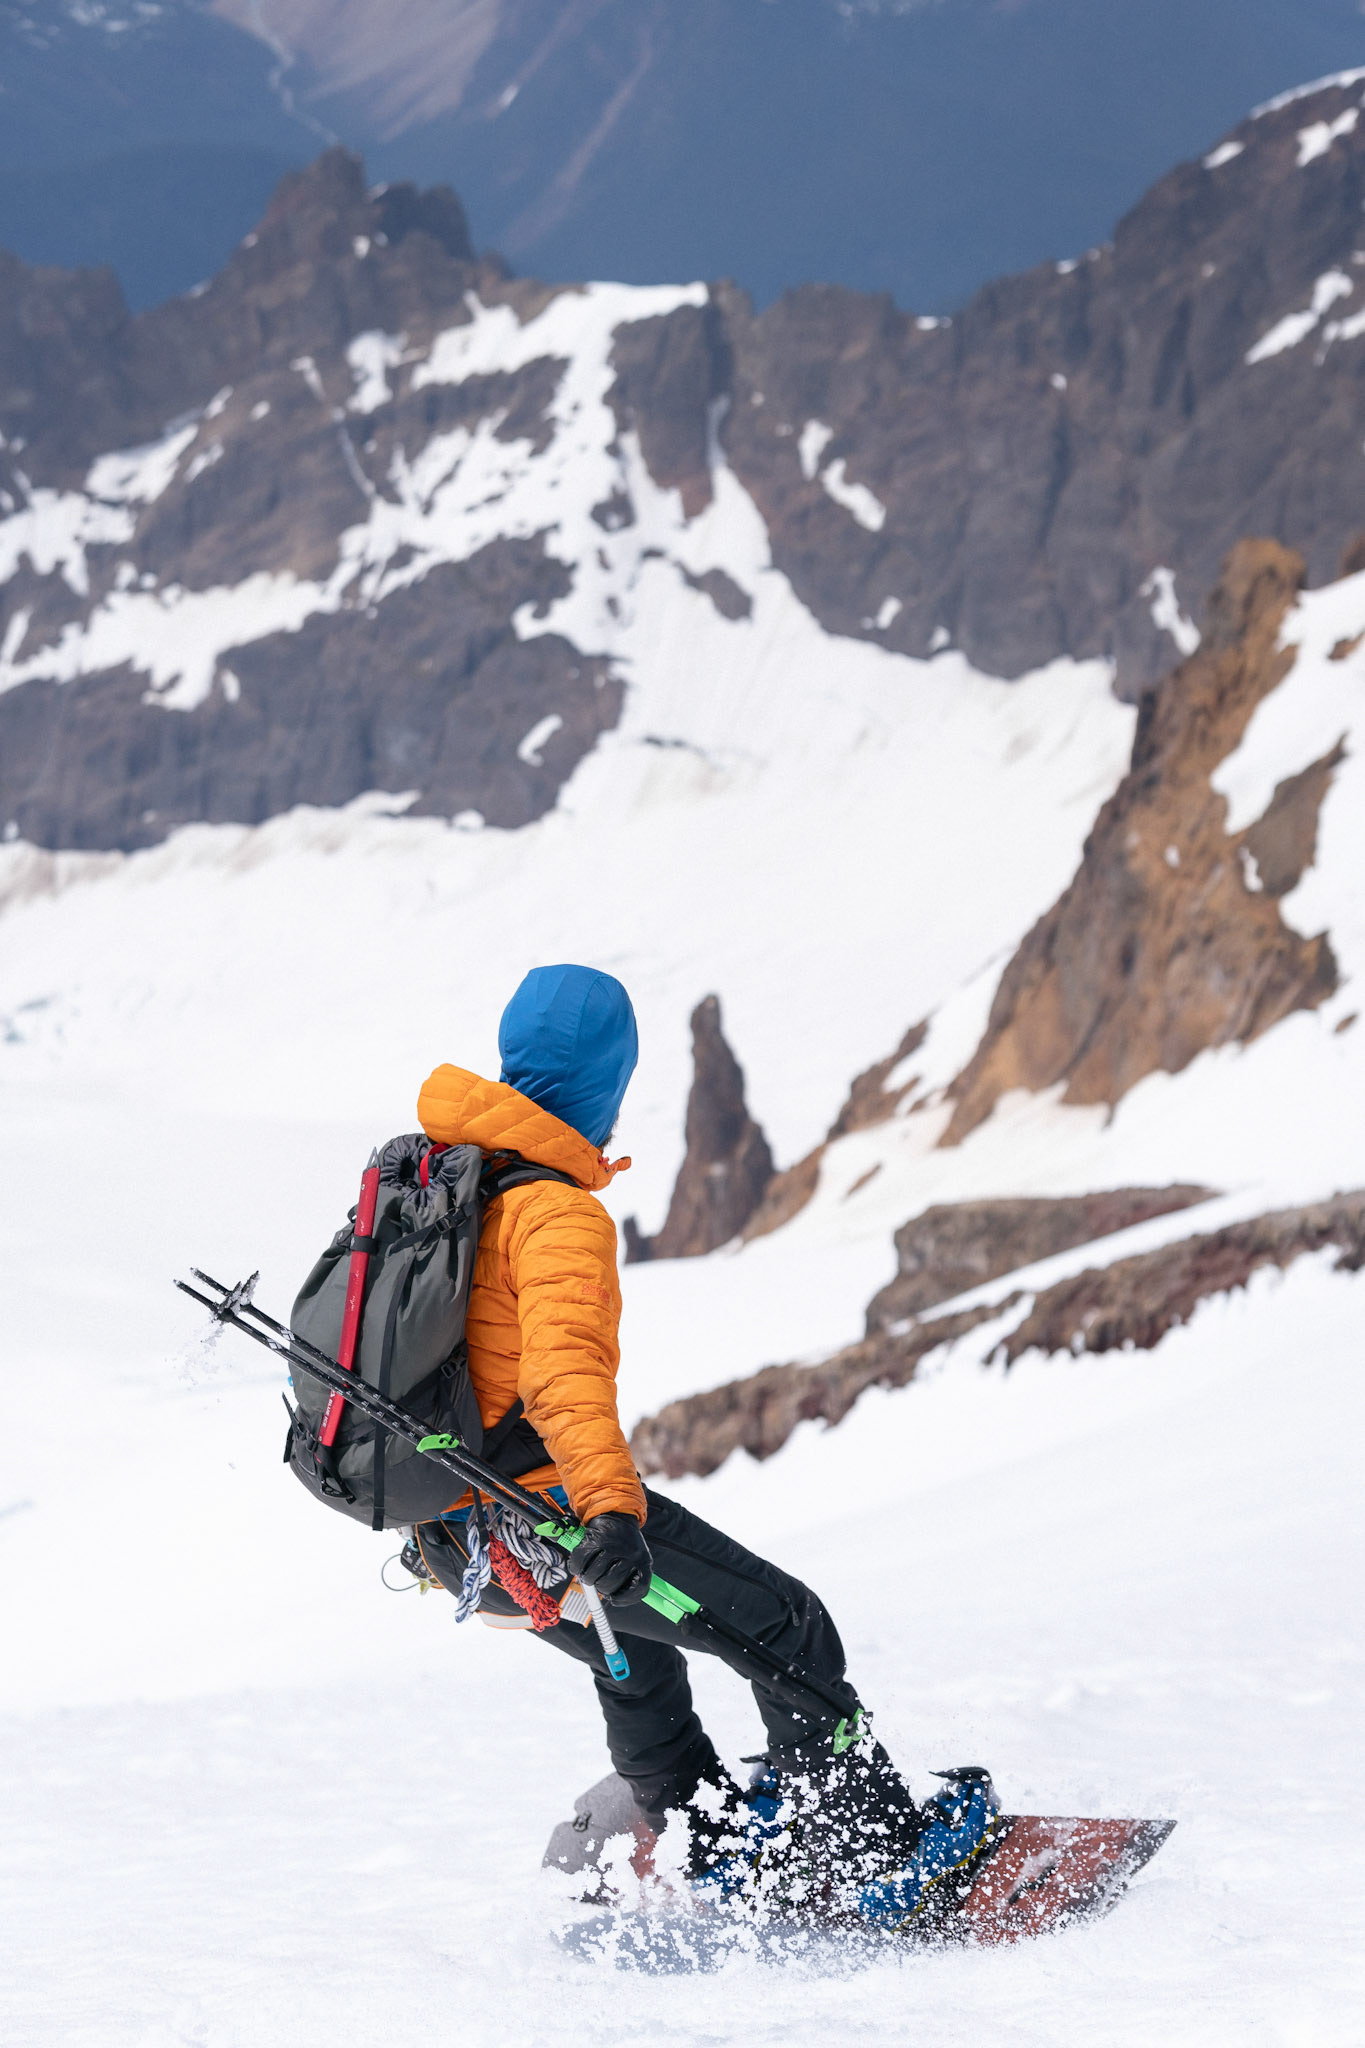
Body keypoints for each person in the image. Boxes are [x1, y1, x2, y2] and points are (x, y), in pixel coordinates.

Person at [409, 962, 994, 1916]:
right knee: (781, 1626)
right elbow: (563, 1380)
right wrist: (607, 1516)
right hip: (546, 1524)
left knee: (628, 1653)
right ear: (607, 1081)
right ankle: (859, 1851)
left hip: (454, 1533)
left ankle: (699, 1836)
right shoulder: (550, 1211)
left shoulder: (441, 1180)